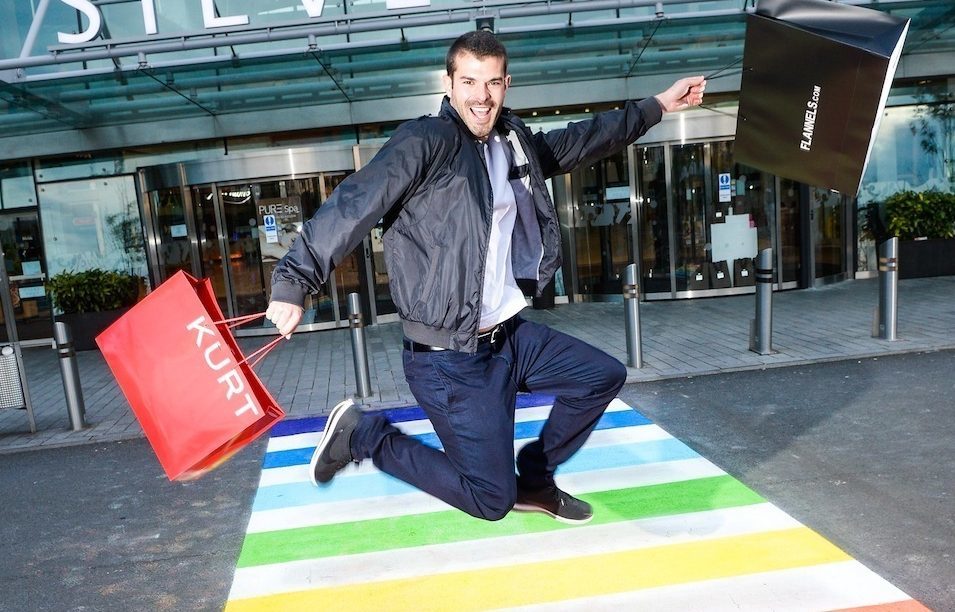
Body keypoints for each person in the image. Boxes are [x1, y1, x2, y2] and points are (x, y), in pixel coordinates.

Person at [266, 30, 705, 524]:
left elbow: (580, 140)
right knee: (490, 500)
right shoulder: (425, 142)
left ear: (506, 84)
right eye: (470, 81)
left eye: (493, 83)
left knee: (601, 376)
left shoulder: (510, 143)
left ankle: (536, 480)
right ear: (449, 83)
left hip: (508, 338)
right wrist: (295, 280)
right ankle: (364, 435)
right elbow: (355, 204)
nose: (482, 96)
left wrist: (659, 105)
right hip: (450, 358)